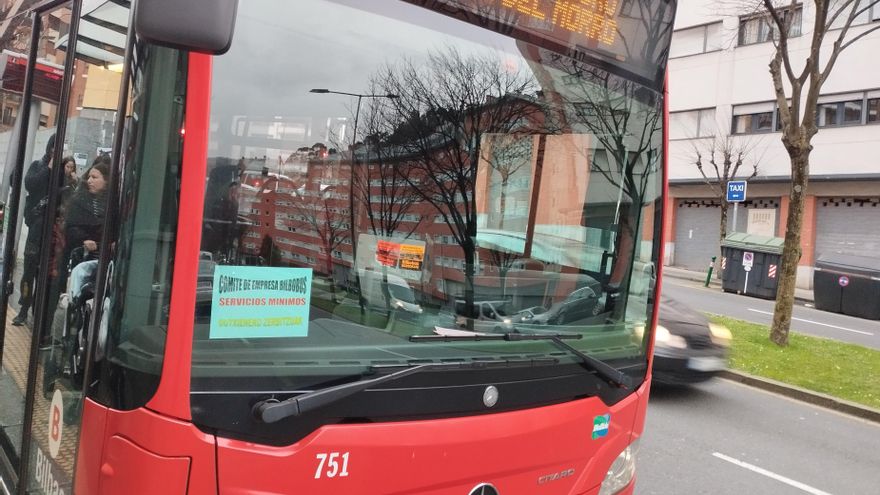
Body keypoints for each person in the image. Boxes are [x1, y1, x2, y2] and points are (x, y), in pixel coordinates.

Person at [13, 135, 55, 326]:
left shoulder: (63, 171)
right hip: (36, 230)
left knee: (45, 275)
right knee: (29, 272)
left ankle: (38, 312)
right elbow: (30, 184)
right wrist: (48, 168)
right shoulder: (38, 166)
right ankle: (23, 308)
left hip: (53, 233)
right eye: (54, 148)